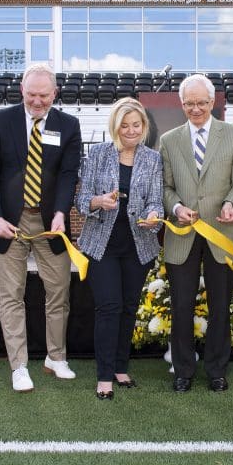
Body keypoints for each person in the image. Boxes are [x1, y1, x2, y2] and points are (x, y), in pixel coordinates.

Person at [0, 63, 82, 392]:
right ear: (22, 90)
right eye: (32, 94)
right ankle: (19, 366)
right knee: (11, 295)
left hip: (50, 221)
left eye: (44, 95)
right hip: (9, 220)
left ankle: (56, 357)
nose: (37, 102)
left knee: (59, 291)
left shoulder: (69, 125)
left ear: (55, 94)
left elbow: (68, 174)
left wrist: (61, 212)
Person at [159, 73, 233, 393]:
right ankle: (182, 370)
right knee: (181, 305)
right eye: (189, 103)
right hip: (183, 233)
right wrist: (176, 208)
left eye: (201, 103)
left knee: (221, 305)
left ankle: (216, 370)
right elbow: (165, 187)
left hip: (223, 232)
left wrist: (232, 204)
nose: (195, 109)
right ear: (181, 104)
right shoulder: (169, 140)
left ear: (213, 102)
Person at [77, 98, 163, 400]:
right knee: (109, 307)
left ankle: (120, 367)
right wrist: (99, 201)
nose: (130, 130)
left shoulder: (152, 159)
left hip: (138, 246)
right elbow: (81, 201)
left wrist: (153, 216)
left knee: (128, 308)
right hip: (102, 246)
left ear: (144, 127)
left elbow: (156, 200)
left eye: (136, 125)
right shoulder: (98, 154)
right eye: (124, 125)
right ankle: (104, 375)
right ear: (115, 126)